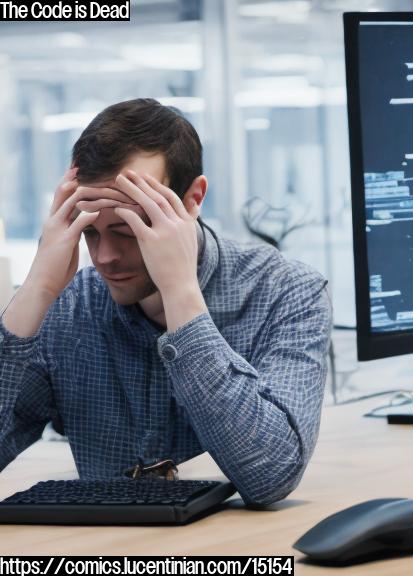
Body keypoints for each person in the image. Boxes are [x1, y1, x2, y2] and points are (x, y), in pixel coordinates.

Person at [0, 99, 332, 506]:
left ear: (193, 199)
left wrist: (180, 294)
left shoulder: (288, 291)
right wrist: (34, 291)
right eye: (89, 232)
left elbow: (271, 476)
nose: (104, 257)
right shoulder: (70, 306)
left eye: (129, 229)